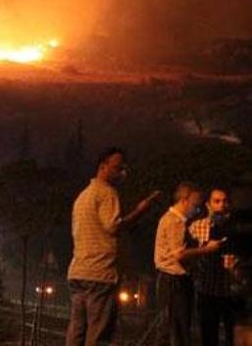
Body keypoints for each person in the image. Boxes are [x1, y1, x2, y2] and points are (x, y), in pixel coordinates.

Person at [66, 148, 160, 346]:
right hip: (100, 273)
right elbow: (113, 226)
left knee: (76, 331)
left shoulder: (83, 196)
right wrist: (140, 211)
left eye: (124, 168)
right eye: (118, 167)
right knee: (98, 334)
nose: (122, 172)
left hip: (78, 272)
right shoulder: (108, 193)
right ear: (103, 167)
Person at [155, 182, 223, 346]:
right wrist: (207, 249)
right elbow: (179, 254)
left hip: (173, 281)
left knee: (176, 330)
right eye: (196, 205)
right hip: (173, 281)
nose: (197, 210)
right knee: (177, 332)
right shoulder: (175, 221)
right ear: (185, 200)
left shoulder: (174, 220)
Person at [188, 188, 239, 346]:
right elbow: (187, 253)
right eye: (217, 201)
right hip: (207, 289)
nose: (221, 205)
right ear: (208, 205)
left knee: (234, 337)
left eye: (225, 201)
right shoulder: (197, 227)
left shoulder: (236, 228)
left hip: (231, 290)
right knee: (209, 337)